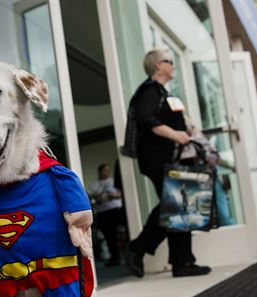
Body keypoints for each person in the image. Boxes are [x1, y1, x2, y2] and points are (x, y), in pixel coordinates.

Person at [124, 47, 211, 278]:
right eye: (168, 61)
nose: (172, 64)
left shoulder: (164, 93)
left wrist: (189, 129)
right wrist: (176, 135)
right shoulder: (149, 90)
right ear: (157, 65)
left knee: (178, 207)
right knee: (174, 206)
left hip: (172, 157)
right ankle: (138, 249)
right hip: (157, 158)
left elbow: (174, 121)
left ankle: (181, 262)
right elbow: (146, 119)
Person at [88, 164, 123, 266]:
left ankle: (119, 256)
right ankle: (114, 257)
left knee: (117, 234)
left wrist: (111, 195)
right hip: (103, 212)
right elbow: (90, 195)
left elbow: (120, 193)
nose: (107, 172)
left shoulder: (113, 181)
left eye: (108, 170)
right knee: (108, 235)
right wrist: (101, 193)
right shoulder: (95, 185)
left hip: (115, 210)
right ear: (100, 172)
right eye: (105, 170)